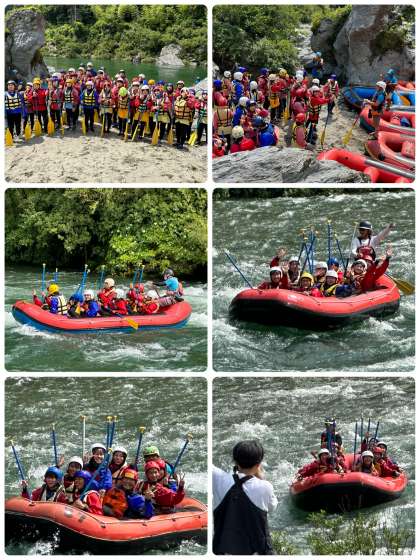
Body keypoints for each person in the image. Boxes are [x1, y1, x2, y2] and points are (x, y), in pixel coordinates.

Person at [213, 440, 277, 555]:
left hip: (223, 551)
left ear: (235, 461)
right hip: (256, 552)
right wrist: (261, 477)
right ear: (258, 465)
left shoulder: (219, 479)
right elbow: (272, 507)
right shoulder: (265, 487)